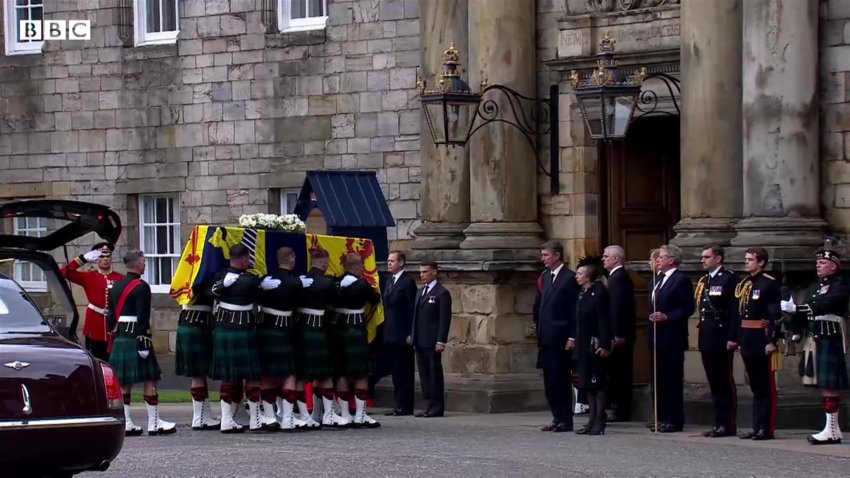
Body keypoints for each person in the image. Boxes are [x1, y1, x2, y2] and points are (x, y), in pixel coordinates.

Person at [782, 247, 849, 445]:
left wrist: (797, 308)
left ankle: (831, 430)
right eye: (817, 263)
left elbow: (826, 304)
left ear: (834, 266)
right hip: (815, 338)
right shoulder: (813, 287)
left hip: (830, 337)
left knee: (830, 385)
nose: (818, 266)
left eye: (823, 263)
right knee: (822, 384)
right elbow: (806, 312)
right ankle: (832, 429)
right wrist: (796, 330)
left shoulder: (841, 284)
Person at [107, 250, 176, 436]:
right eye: (143, 262)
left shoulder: (115, 286)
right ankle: (154, 422)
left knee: (124, 382)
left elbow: (110, 317)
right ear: (137, 264)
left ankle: (127, 422)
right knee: (150, 378)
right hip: (136, 337)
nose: (145, 265)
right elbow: (143, 317)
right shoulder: (141, 286)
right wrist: (144, 342)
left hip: (121, 337)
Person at [208, 244, 264, 433]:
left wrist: (222, 285)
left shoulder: (221, 277)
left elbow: (210, 292)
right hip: (243, 330)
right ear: (244, 259)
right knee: (252, 376)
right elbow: (259, 294)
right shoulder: (250, 280)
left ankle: (227, 419)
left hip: (224, 330)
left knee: (229, 376)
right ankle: (254, 419)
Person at [257, 246, 312, 431]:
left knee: (267, 374)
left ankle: (270, 417)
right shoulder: (294, 283)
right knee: (289, 373)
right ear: (292, 259)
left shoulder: (266, 281)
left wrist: (260, 284)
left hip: (265, 329)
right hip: (284, 330)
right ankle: (287, 419)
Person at [734, 247, 781, 441]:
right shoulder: (745, 283)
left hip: (761, 337)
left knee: (765, 385)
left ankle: (766, 428)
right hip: (748, 337)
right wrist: (739, 339)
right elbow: (741, 314)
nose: (746, 262)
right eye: (746, 259)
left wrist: (772, 340)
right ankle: (756, 426)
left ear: (761, 262)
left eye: (750, 259)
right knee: (755, 385)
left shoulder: (769, 283)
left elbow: (775, 316)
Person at [295, 248, 345, 428]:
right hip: (318, 330)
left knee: (302, 375)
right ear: (324, 263)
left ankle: (306, 415)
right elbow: (337, 301)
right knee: (325, 374)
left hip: (301, 330)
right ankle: (329, 414)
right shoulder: (326, 283)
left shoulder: (299, 281)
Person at [648, 244, 694, 433]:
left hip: (672, 336)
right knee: (659, 379)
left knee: (671, 379)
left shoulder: (680, 280)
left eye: (661, 257)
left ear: (672, 260)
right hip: (656, 335)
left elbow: (687, 308)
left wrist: (668, 316)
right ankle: (661, 416)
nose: (658, 260)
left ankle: (674, 419)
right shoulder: (659, 279)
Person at [534, 241, 579, 432]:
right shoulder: (545, 277)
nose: (542, 258)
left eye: (545, 255)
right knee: (550, 381)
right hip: (546, 337)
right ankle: (556, 417)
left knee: (561, 380)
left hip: (561, 337)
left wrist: (572, 337)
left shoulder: (569, 278)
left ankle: (565, 419)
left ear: (557, 256)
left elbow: (574, 310)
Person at [695, 245, 739, 438]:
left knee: (724, 381)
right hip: (707, 333)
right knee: (714, 381)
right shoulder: (705, 280)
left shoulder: (729, 279)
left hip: (722, 334)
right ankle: (718, 422)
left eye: (706, 257)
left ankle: (727, 424)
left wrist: (733, 337)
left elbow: (734, 312)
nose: (702, 260)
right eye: (702, 257)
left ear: (718, 258)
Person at [334, 253, 382, 427]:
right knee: (361, 373)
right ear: (357, 267)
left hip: (339, 328)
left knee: (342, 371)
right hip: (355, 328)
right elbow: (375, 299)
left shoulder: (336, 283)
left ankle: (345, 414)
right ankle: (360, 415)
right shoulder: (362, 284)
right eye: (362, 267)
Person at [60, 242, 123, 361]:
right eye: (101, 256)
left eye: (108, 256)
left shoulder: (120, 278)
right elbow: (64, 272)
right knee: (95, 360)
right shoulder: (89, 276)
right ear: (96, 259)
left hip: (114, 325)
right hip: (95, 324)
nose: (105, 259)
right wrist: (83, 259)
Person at [174, 274, 220, 431]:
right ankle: (199, 418)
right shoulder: (199, 280)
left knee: (199, 374)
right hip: (197, 324)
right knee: (198, 374)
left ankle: (205, 414)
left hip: (189, 322)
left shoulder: (185, 275)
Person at [408, 260, 452, 418]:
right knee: (424, 375)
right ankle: (428, 404)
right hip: (420, 339)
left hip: (432, 340)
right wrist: (412, 334)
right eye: (420, 272)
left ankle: (437, 406)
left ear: (434, 272)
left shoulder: (441, 293)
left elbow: (444, 319)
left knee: (434, 374)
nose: (422, 275)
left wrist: (441, 340)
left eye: (425, 272)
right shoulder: (420, 292)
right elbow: (415, 316)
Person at [573, 264, 612, 435]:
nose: (577, 276)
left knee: (598, 383)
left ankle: (600, 420)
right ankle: (591, 420)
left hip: (595, 343)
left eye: (580, 273)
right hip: (583, 344)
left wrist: (604, 344)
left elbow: (603, 319)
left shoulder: (599, 292)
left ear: (588, 276)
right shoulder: (583, 293)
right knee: (587, 384)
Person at [601, 245, 635, 422]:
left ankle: (620, 409)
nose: (603, 259)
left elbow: (618, 308)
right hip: (615, 332)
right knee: (615, 372)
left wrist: (618, 333)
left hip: (619, 335)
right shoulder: (614, 277)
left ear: (616, 259)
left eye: (606, 256)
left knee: (619, 372)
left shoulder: (619, 277)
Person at [381, 250, 417, 416]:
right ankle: (398, 404)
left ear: (401, 263)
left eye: (392, 261)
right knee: (395, 370)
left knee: (404, 370)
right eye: (388, 261)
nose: (389, 263)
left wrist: (411, 332)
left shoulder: (407, 282)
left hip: (402, 332)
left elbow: (411, 309)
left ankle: (405, 405)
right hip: (391, 331)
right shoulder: (390, 281)